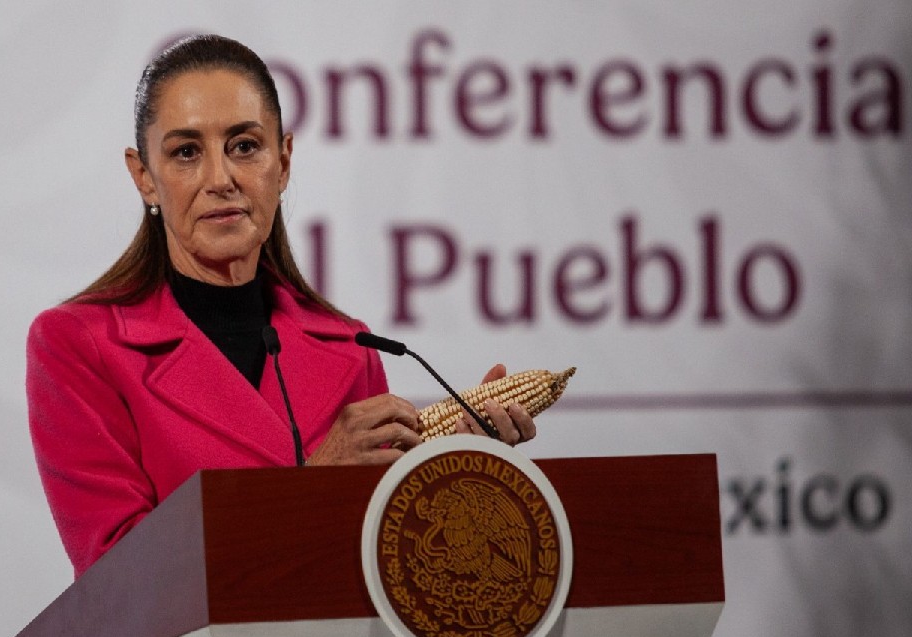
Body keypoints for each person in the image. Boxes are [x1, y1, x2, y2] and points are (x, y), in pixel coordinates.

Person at [26, 34, 535, 578]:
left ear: (284, 161)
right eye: (186, 152)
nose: (220, 179)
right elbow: (118, 574)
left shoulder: (351, 350)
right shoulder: (78, 345)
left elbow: (379, 564)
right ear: (144, 177)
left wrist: (453, 475)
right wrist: (311, 486)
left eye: (244, 146)